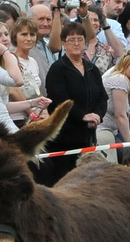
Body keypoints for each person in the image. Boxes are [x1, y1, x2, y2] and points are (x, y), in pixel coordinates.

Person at [40, 22, 106, 186]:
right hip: (65, 138)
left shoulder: (92, 69)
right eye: (71, 40)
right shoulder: (58, 69)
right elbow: (60, 100)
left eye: (80, 39)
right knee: (64, 180)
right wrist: (83, 116)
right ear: (63, 42)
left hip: (88, 135)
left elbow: (102, 97)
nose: (76, 43)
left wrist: (97, 115)